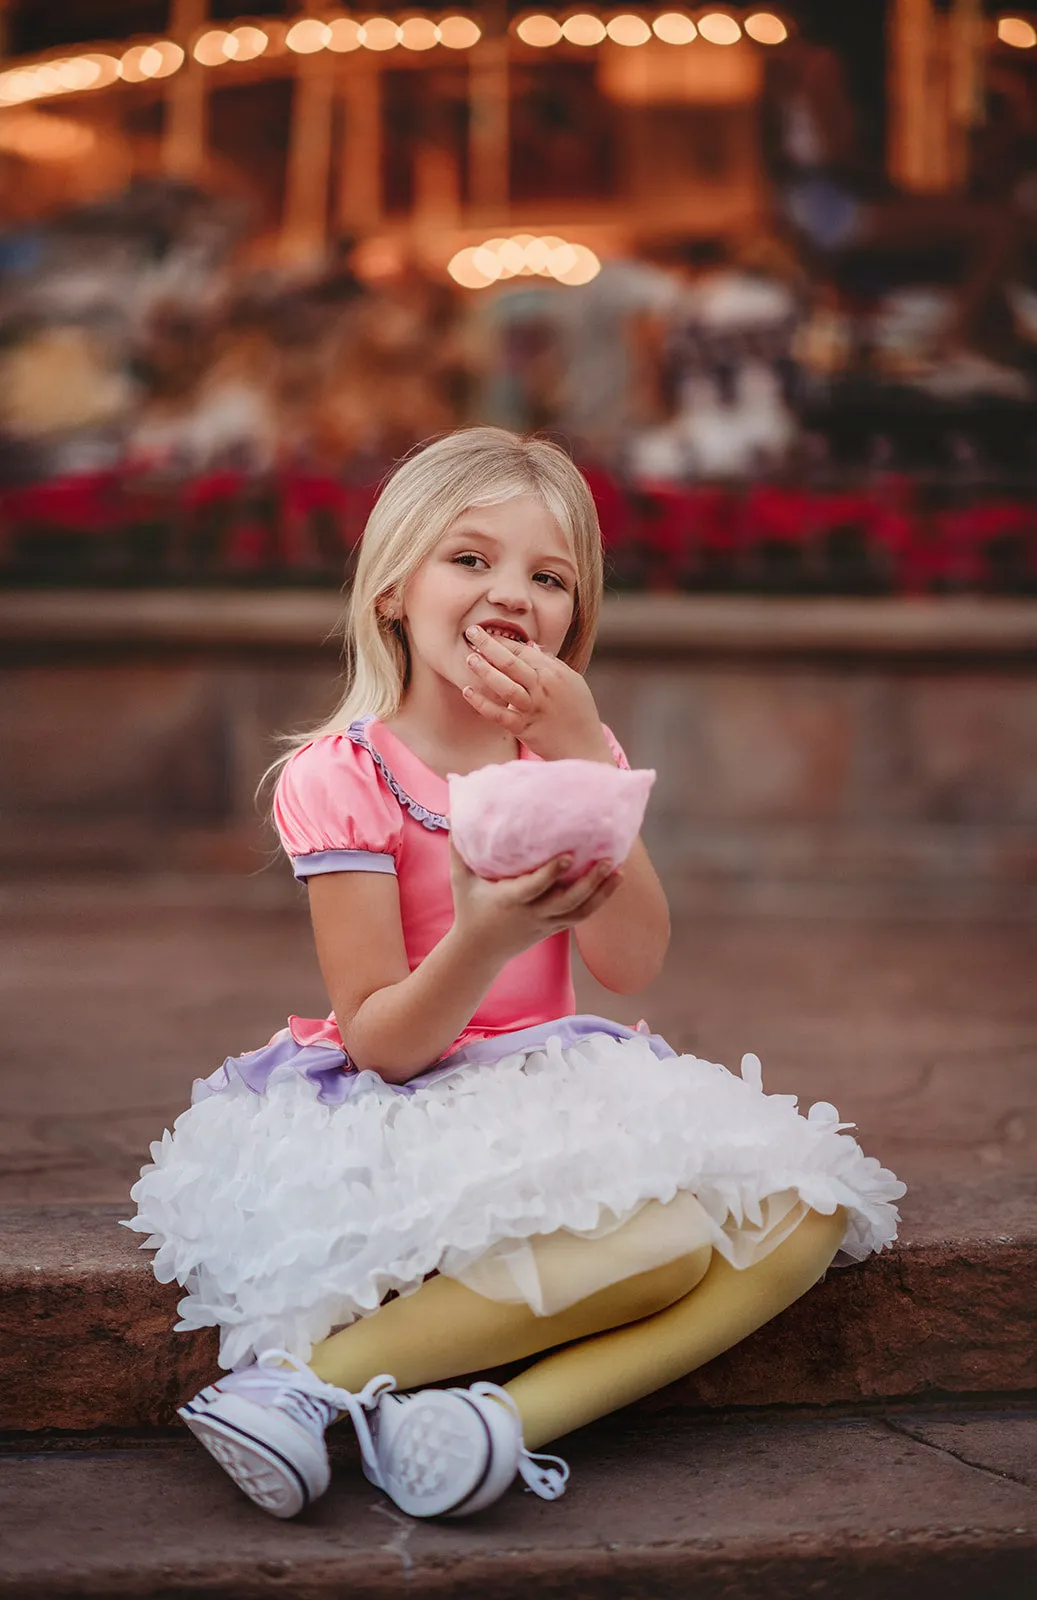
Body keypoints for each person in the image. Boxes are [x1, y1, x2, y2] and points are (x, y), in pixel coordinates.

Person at [126, 427, 904, 1522]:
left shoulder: (567, 755)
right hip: (409, 1099)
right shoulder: (340, 775)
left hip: (553, 1080)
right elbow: (383, 1038)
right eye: (470, 559)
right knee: (670, 1242)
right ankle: (295, 1384)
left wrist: (588, 749)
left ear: (572, 622)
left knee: (805, 1212)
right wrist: (485, 934)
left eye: (548, 577)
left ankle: (491, 1425)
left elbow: (629, 962)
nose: (511, 593)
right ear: (394, 589)